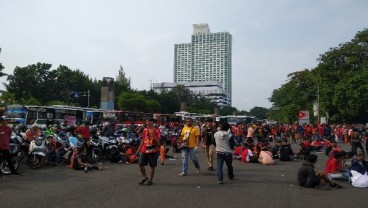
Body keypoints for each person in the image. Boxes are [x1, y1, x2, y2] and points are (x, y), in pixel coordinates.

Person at [138, 118, 160, 186]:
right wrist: (139, 148)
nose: (148, 122)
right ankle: (145, 177)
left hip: (153, 150)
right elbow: (143, 140)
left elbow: (159, 143)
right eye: (147, 121)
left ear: (153, 122)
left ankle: (150, 180)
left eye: (149, 121)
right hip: (144, 149)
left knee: (152, 165)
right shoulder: (144, 130)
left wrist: (154, 136)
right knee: (140, 164)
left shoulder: (156, 130)